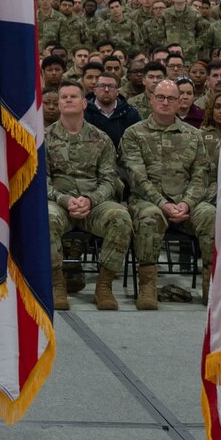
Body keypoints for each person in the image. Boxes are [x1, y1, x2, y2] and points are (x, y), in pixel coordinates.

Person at [120, 77, 216, 309]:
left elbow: (200, 175)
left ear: (179, 101)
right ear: (151, 99)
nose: (165, 102)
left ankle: (211, 288)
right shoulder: (134, 134)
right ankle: (147, 287)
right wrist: (163, 203)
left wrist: (187, 203)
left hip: (186, 203)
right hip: (149, 201)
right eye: (160, 97)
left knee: (212, 216)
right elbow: (137, 177)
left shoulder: (194, 136)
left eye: (171, 98)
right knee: (149, 217)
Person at [46, 82, 132, 311]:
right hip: (59, 203)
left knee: (121, 217)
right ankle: (57, 284)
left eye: (73, 96)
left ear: (84, 102)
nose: (67, 100)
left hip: (94, 204)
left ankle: (104, 286)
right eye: (63, 97)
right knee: (45, 219)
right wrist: (65, 200)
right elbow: (40, 182)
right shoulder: (45, 138)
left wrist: (91, 200)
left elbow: (109, 180)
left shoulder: (101, 139)